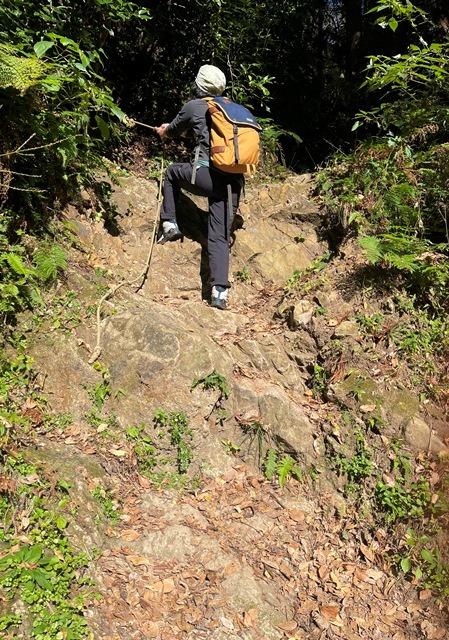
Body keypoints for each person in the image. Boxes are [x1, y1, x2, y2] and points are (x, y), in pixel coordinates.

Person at [155, 64, 242, 311]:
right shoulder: (232, 110)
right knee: (219, 236)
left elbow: (173, 130)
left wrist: (164, 131)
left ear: (200, 85)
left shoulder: (194, 106)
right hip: (233, 183)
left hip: (205, 176)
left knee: (171, 172)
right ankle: (220, 293)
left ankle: (170, 224)